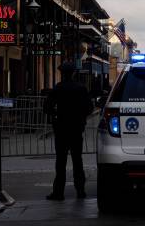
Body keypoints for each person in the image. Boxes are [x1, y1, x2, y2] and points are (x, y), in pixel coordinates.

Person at [45, 62, 93, 200]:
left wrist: (56, 114)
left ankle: (58, 192)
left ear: (62, 73)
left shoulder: (58, 88)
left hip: (61, 129)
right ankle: (80, 190)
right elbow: (89, 108)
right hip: (76, 129)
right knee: (78, 160)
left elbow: (47, 107)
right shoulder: (81, 88)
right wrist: (80, 117)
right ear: (73, 73)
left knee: (61, 162)